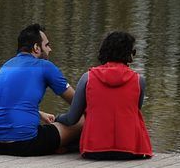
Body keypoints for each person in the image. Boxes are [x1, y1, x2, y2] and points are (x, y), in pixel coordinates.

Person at [55, 30, 152, 160]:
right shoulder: (139, 81)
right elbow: (135, 111)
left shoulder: (88, 78)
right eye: (133, 52)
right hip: (131, 150)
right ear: (128, 55)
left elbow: (71, 119)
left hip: (93, 150)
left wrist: (57, 118)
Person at [0, 23, 80, 156]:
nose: (50, 49)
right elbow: (79, 104)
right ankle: (64, 147)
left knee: (50, 127)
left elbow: (9, 103)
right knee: (83, 120)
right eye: (46, 45)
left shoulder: (7, 66)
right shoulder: (44, 66)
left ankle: (60, 147)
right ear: (36, 47)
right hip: (25, 143)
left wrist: (39, 114)